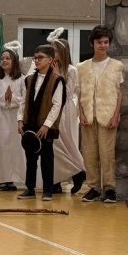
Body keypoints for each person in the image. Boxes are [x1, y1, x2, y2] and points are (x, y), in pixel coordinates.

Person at [77, 25, 124, 203]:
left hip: (108, 115)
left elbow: (119, 93)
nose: (103, 45)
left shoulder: (117, 66)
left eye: (106, 42)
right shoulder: (82, 67)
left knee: (107, 154)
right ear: (92, 43)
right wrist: (81, 113)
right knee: (89, 153)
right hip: (88, 116)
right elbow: (79, 93)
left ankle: (109, 188)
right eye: (99, 42)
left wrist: (116, 115)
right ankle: (93, 188)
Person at [17, 44, 65, 201]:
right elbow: (23, 102)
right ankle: (30, 189)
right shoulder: (29, 79)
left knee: (47, 159)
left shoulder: (57, 80)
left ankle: (48, 190)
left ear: (50, 60)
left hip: (46, 127)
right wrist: (20, 120)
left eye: (40, 58)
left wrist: (46, 125)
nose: (36, 60)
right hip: (30, 125)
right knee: (30, 159)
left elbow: (57, 105)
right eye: (35, 58)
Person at [0, 46, 26, 191]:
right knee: (0, 147)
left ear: (14, 61)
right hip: (0, 116)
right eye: (2, 58)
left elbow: (25, 99)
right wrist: (4, 97)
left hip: (15, 116)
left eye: (8, 58)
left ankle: (10, 179)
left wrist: (12, 98)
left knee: (14, 148)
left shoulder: (22, 79)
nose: (4, 60)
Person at [50, 37, 86, 194]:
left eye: (55, 50)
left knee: (66, 143)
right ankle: (56, 179)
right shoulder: (50, 67)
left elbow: (68, 92)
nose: (52, 53)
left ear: (62, 52)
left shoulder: (71, 70)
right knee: (54, 145)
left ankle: (78, 171)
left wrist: (58, 76)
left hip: (66, 109)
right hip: (52, 108)